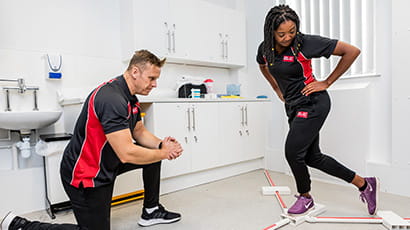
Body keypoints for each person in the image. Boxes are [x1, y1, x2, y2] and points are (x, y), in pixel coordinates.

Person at [1, 50, 184, 230]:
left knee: (153, 158)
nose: (155, 84)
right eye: (151, 78)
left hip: (107, 162)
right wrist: (163, 153)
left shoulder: (130, 97)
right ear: (135, 72)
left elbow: (139, 131)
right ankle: (22, 226)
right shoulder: (111, 99)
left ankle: (151, 211)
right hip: (86, 172)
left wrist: (161, 146)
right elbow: (127, 152)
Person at [256, 5, 379, 215]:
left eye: (292, 31)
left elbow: (352, 51)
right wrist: (276, 88)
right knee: (313, 157)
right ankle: (365, 184)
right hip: (293, 105)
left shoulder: (305, 43)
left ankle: (305, 198)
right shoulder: (265, 48)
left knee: (293, 152)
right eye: (282, 34)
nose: (287, 38)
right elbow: (262, 64)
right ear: (271, 32)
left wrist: (327, 82)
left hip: (313, 103)